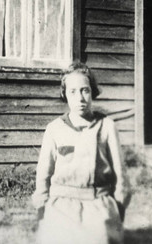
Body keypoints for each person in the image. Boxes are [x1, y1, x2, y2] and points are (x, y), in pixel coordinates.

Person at [32, 62, 132, 244]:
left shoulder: (106, 126)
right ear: (64, 95)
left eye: (85, 90)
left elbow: (120, 175)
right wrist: (42, 208)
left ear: (92, 92)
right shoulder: (55, 129)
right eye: (73, 91)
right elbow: (43, 175)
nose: (80, 98)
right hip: (61, 205)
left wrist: (118, 208)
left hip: (98, 203)